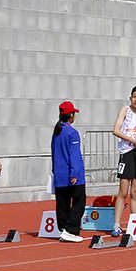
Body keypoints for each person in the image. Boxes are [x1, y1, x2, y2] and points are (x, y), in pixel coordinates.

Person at [111, 84, 136, 239]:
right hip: (127, 153)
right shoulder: (125, 110)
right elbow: (116, 130)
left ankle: (135, 224)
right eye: (134, 97)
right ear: (130, 98)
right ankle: (116, 225)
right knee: (123, 191)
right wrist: (132, 140)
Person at [51, 101, 86, 242]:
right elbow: (74, 155)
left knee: (62, 203)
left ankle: (63, 228)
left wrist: (55, 171)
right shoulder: (72, 133)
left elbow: (54, 153)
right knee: (79, 202)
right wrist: (75, 173)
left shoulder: (56, 132)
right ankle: (71, 230)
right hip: (71, 174)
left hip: (59, 174)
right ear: (71, 115)